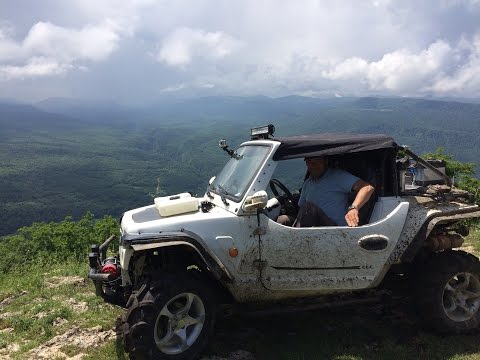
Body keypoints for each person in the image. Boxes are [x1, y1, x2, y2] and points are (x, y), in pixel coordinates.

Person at [277, 156, 375, 227]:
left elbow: (367, 187)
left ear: (325, 161)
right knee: (283, 219)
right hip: (314, 226)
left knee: (309, 208)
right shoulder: (308, 183)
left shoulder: (337, 176)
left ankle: (296, 246)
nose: (313, 165)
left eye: (317, 161)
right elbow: (300, 206)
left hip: (334, 229)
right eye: (309, 161)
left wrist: (354, 208)